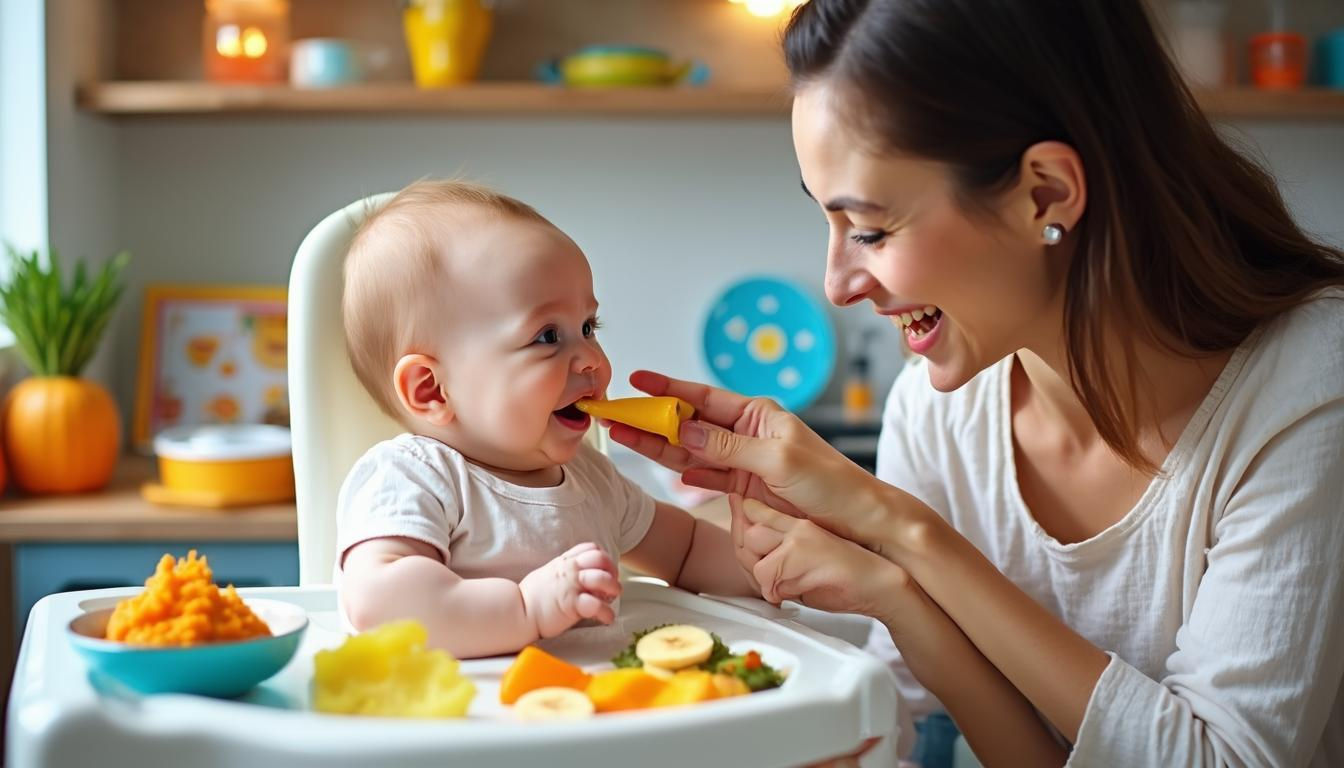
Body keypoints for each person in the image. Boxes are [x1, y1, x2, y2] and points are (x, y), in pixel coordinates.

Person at [611, 0, 1344, 765]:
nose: (837, 284)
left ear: (1046, 195)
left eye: (869, 229)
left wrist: (901, 531)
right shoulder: (936, 407)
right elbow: (940, 732)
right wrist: (895, 593)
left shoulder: (1308, 384)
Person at [336, 180, 754, 658]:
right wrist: (525, 609)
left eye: (588, 328)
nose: (592, 359)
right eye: (547, 335)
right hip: (459, 722)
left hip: (585, 714)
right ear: (432, 389)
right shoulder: (416, 477)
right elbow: (380, 606)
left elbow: (687, 551)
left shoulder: (592, 479)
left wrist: (766, 568)